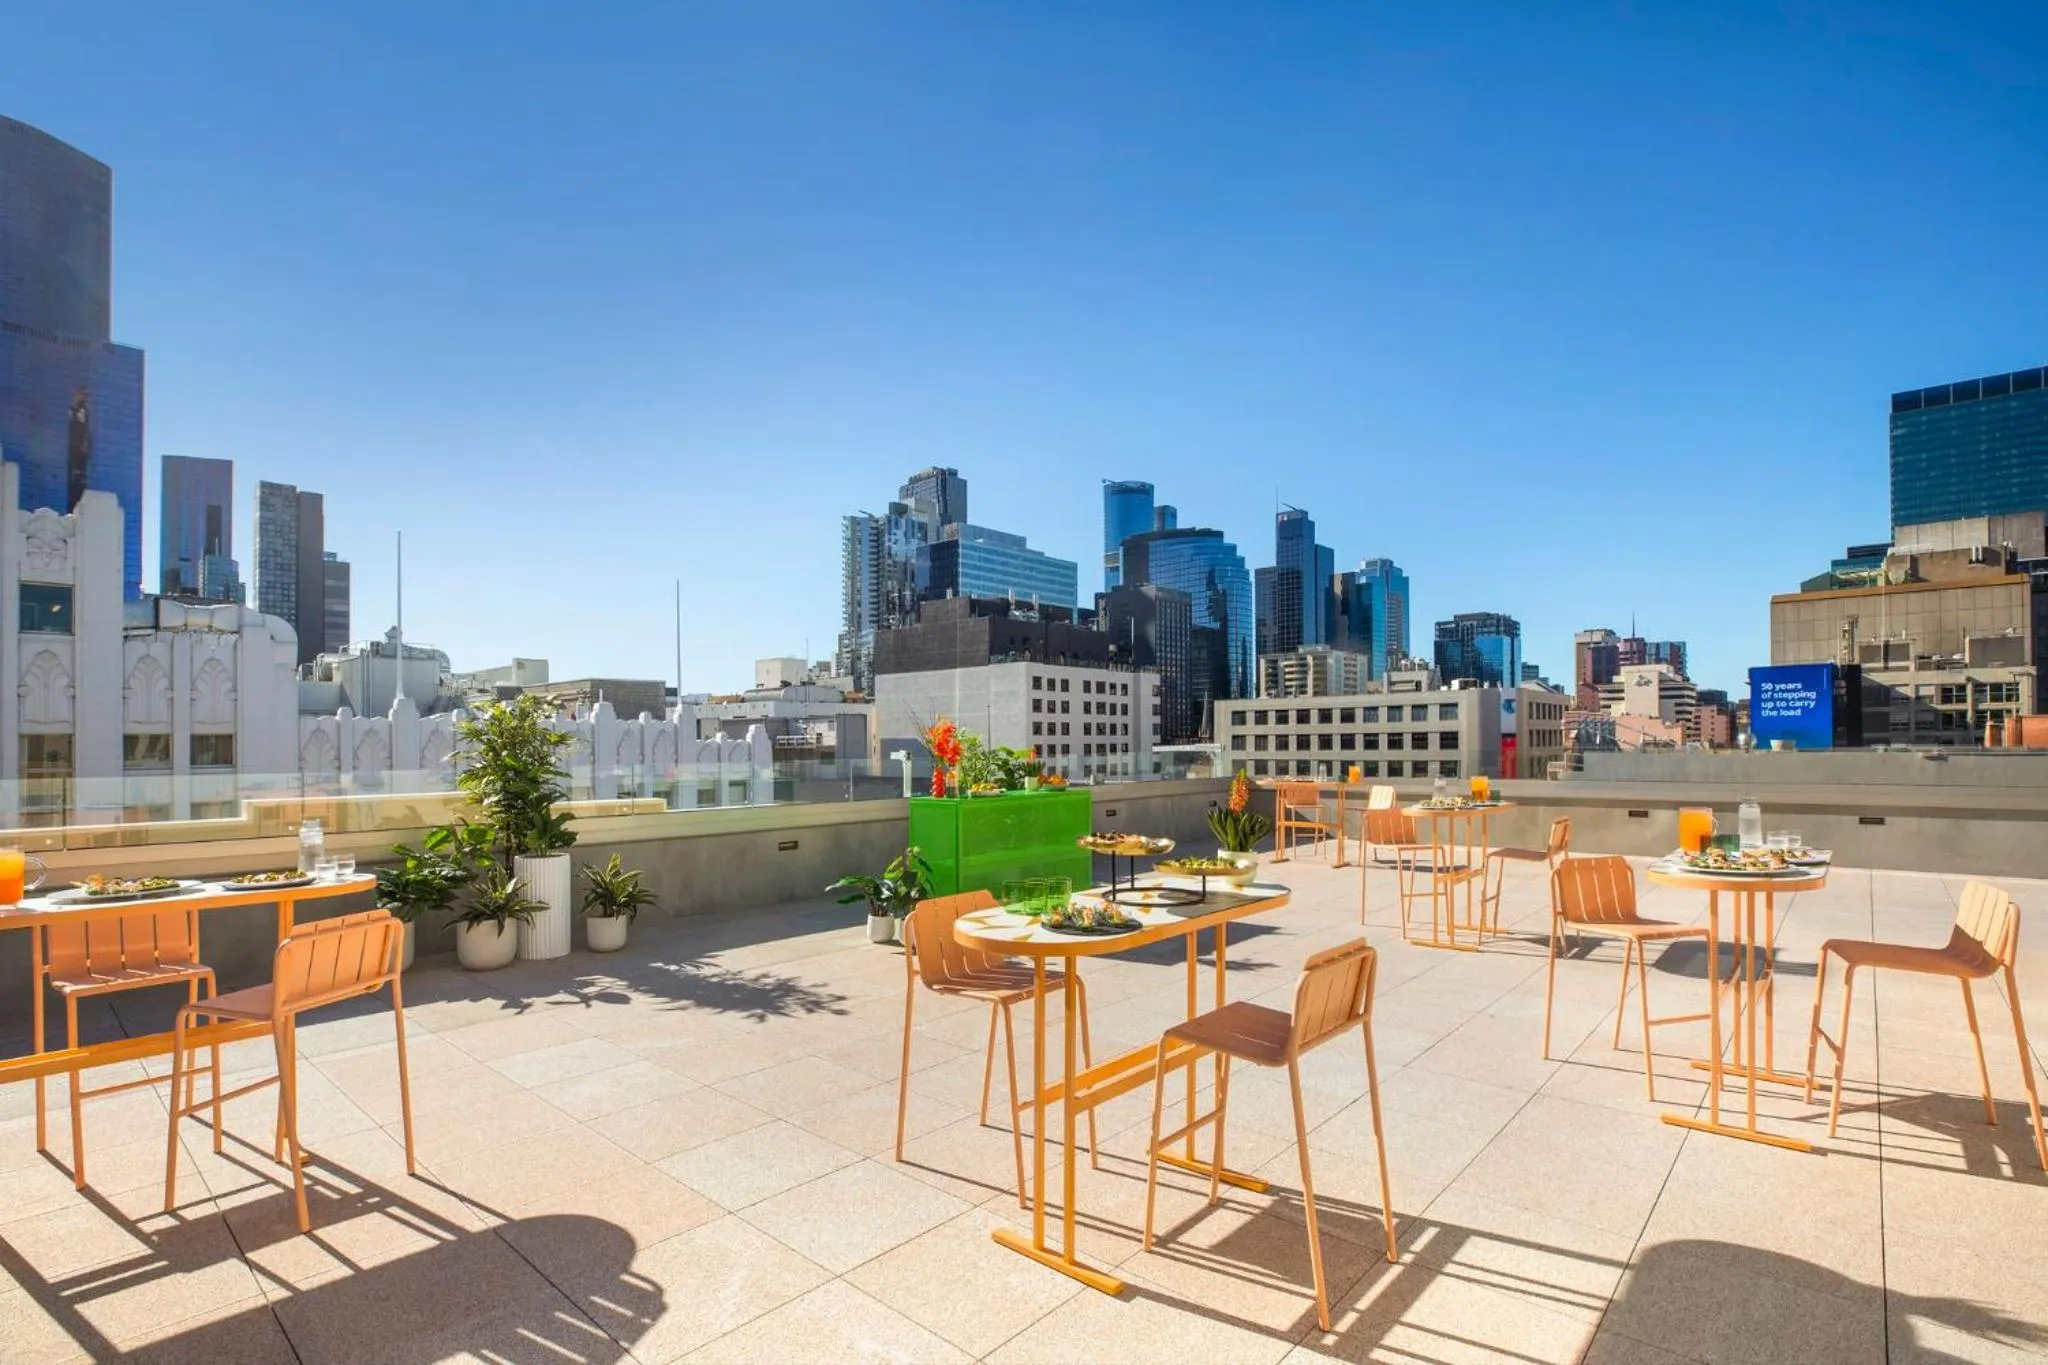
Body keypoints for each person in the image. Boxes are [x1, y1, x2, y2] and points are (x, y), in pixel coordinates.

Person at [67, 387, 92, 509]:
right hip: (75, 453)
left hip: (80, 454)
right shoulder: (73, 411)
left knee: (79, 479)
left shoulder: (83, 411)